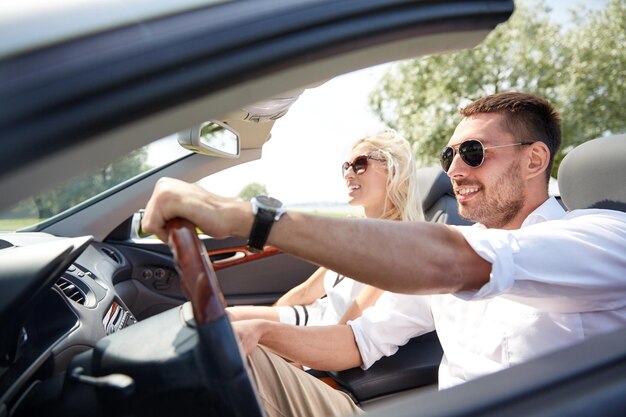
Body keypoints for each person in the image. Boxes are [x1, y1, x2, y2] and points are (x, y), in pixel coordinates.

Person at [142, 92, 626, 417]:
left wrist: (252, 218)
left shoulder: (601, 238)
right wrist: (265, 330)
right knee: (221, 359)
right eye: (448, 156)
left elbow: (458, 260)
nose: (455, 170)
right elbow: (360, 340)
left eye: (473, 153)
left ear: (535, 160)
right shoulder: (455, 251)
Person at [227, 131, 423, 327]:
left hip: (323, 338)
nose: (348, 174)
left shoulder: (396, 247)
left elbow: (344, 332)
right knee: (226, 319)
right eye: (346, 167)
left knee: (231, 328)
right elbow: (307, 291)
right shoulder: (354, 233)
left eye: (359, 165)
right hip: (311, 318)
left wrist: (267, 333)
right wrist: (272, 315)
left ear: (393, 170)